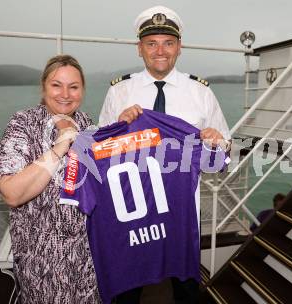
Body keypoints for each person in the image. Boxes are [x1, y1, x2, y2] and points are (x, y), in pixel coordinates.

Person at [98, 5, 231, 304]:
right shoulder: (119, 92)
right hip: (132, 210)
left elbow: (221, 156)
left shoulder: (201, 93)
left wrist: (215, 143)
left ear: (179, 47)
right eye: (152, 43)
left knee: (184, 287)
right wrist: (119, 127)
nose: (160, 51)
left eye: (168, 43)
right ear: (139, 49)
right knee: (127, 288)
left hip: (182, 212)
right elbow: (101, 155)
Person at [0, 55, 100, 303]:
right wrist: (59, 148)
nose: (65, 93)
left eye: (73, 87)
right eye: (56, 85)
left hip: (88, 260)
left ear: (82, 91)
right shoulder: (23, 124)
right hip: (42, 262)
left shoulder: (88, 126)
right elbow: (12, 193)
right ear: (43, 87)